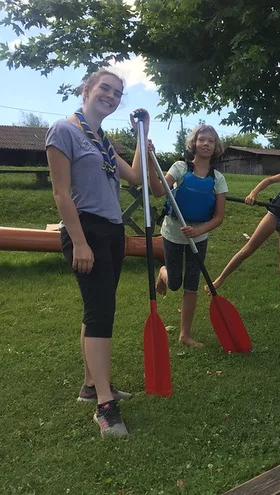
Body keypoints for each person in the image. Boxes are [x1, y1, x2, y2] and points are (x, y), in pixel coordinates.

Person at [46, 69, 152, 437]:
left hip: (112, 230)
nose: (111, 95)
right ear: (87, 89)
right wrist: (78, 241)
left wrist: (143, 135)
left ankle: (91, 386)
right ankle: (105, 406)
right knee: (100, 313)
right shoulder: (65, 130)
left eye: (117, 92)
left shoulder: (104, 141)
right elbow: (61, 193)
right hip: (85, 229)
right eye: (105, 88)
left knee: (98, 309)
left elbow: (136, 179)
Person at [207, 148, 280, 317]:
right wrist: (253, 193)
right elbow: (268, 180)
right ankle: (218, 281)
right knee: (247, 250)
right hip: (275, 215)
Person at [148, 125, 228, 348]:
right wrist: (148, 163)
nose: (206, 144)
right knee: (175, 283)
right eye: (201, 139)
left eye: (210, 141)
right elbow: (157, 191)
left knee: (191, 284)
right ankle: (163, 274)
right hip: (173, 233)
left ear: (215, 147)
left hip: (198, 237)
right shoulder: (180, 168)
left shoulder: (218, 179)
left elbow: (219, 217)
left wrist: (199, 231)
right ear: (194, 143)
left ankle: (184, 334)